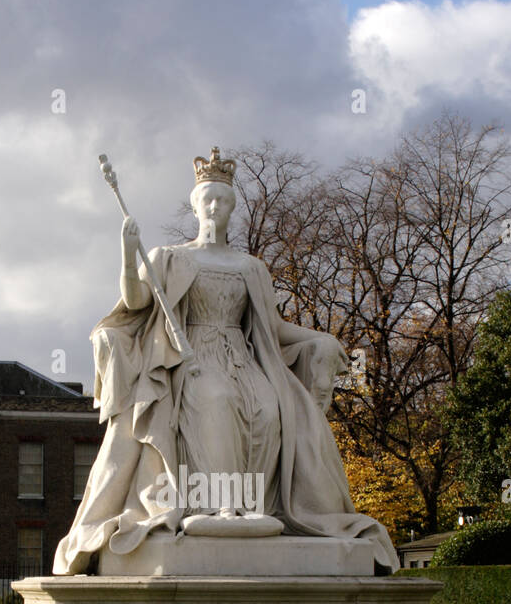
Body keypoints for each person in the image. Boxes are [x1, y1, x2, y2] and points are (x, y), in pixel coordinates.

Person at [53, 148, 399, 574]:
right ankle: (221, 509)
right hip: (190, 357)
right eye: (207, 200)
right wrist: (128, 254)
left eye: (222, 201)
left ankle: (258, 508)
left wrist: (320, 338)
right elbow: (135, 300)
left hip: (244, 357)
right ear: (196, 206)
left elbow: (272, 328)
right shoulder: (169, 257)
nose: (214, 207)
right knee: (214, 399)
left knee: (271, 410)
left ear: (231, 208)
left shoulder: (249, 267)